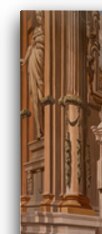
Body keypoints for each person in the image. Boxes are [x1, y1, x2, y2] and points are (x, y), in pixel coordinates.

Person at [22, 11, 44, 139]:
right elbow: (30, 48)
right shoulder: (35, 31)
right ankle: (38, 129)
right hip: (33, 60)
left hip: (39, 59)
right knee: (34, 95)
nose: (39, 18)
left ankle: (41, 127)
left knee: (40, 90)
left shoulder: (45, 31)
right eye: (37, 16)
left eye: (40, 15)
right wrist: (24, 61)